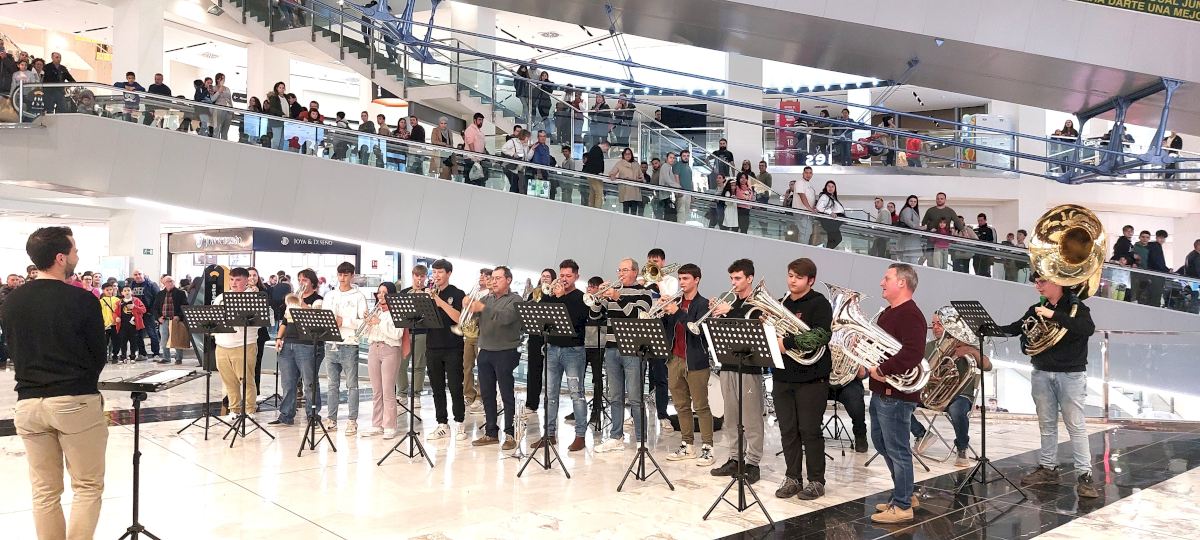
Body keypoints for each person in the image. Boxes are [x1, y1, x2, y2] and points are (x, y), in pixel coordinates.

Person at [3, 226, 108, 540]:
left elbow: (13, 349)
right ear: (61, 258)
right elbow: (98, 355)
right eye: (74, 250)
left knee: (45, 491)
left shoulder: (11, 302)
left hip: (27, 404)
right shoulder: (82, 299)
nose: (77, 255)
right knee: (87, 486)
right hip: (74, 399)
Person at [993, 273, 1100, 498]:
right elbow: (1017, 327)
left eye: (1042, 282)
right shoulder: (1036, 309)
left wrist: (1054, 315)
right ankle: (1048, 468)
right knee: (1047, 424)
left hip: (1070, 374)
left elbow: (1086, 328)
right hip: (1041, 372)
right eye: (1036, 282)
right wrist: (990, 329)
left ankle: (1085, 476)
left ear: (1057, 282)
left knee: (1076, 426)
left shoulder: (1076, 307)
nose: (1037, 286)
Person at [867, 263, 927, 524]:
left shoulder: (911, 314)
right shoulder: (888, 313)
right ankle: (906, 494)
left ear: (902, 282)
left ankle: (902, 506)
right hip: (881, 390)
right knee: (882, 443)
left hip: (896, 394)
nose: (882, 282)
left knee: (898, 449)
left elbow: (913, 353)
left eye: (887, 278)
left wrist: (883, 369)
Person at [773, 258, 834, 500]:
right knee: (788, 430)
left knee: (809, 430)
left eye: (798, 277)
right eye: (790, 275)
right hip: (783, 376)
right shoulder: (781, 303)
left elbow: (821, 336)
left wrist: (787, 343)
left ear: (811, 280)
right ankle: (793, 478)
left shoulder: (820, 303)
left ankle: (817, 481)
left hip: (812, 378)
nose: (792, 281)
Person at [707, 259, 764, 484]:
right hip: (728, 365)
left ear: (750, 278)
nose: (733, 282)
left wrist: (730, 311)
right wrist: (718, 317)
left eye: (738, 278)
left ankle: (753, 463)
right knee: (731, 418)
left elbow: (756, 323)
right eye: (731, 278)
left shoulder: (757, 303)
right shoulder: (733, 303)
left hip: (750, 367)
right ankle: (735, 458)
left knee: (751, 419)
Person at [910, 311, 992, 467]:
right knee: (900, 402)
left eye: (939, 324)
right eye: (933, 324)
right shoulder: (929, 347)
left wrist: (972, 351)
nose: (935, 327)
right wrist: (929, 378)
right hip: (933, 394)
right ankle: (921, 434)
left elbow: (988, 366)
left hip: (959, 395)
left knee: (957, 411)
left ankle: (962, 448)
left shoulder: (967, 345)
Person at [592, 258, 655, 453]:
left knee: (635, 398)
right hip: (611, 348)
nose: (620, 273)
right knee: (615, 396)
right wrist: (597, 298)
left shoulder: (644, 293)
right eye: (619, 270)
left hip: (633, 350)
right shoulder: (612, 292)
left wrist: (618, 297)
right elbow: (594, 316)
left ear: (635, 272)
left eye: (625, 270)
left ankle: (642, 440)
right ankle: (616, 437)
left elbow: (637, 315)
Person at [532, 260, 591, 452]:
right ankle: (549, 434)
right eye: (562, 275)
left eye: (568, 276)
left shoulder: (582, 298)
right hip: (552, 348)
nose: (564, 279)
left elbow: (576, 319)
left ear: (576, 277)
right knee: (550, 395)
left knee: (576, 394)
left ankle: (580, 436)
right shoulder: (552, 295)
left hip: (573, 351)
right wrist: (550, 296)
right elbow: (541, 314)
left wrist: (561, 297)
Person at [661, 263, 715, 466]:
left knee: (701, 406)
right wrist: (664, 313)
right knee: (681, 406)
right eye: (680, 278)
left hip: (696, 361)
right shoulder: (675, 302)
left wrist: (676, 312)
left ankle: (708, 448)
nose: (682, 282)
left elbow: (696, 330)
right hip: (674, 359)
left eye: (686, 279)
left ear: (697, 280)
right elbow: (668, 329)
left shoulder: (704, 304)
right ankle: (687, 445)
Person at [469, 266, 524, 451]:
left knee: (506, 394)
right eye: (492, 278)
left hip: (506, 351)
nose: (493, 281)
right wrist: (468, 305)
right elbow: (472, 318)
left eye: (498, 278)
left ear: (508, 280)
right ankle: (491, 432)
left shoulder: (515, 299)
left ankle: (510, 433)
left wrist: (483, 308)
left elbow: (506, 318)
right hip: (485, 350)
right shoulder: (486, 298)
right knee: (487, 394)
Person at [271, 270, 323, 427]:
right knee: (288, 382)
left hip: (307, 344)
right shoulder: (292, 299)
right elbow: (285, 321)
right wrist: (279, 338)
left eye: (305, 280)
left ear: (312, 282)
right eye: (299, 279)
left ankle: (312, 415)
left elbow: (316, 318)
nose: (301, 283)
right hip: (288, 343)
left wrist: (301, 304)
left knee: (310, 383)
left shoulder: (318, 300)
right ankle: (286, 415)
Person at [425, 259, 469, 441]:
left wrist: (440, 302)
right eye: (434, 272)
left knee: (455, 386)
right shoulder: (428, 293)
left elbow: (459, 318)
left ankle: (459, 422)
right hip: (432, 345)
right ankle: (442, 423)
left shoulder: (457, 293)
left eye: (440, 272)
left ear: (449, 273)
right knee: (437, 388)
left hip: (452, 346)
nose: (436, 275)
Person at [322, 262, 368, 434]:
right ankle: (331, 419)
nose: (342, 278)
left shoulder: (359, 296)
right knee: (332, 385)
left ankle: (352, 420)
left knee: (352, 385)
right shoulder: (330, 295)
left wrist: (344, 321)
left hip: (349, 343)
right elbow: (323, 317)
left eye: (346, 275)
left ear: (352, 276)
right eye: (340, 275)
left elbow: (364, 323)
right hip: (331, 342)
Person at [360, 283, 405, 439]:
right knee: (376, 391)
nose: (380, 295)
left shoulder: (397, 311)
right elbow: (366, 334)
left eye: (384, 292)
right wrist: (367, 323)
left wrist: (379, 322)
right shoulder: (376, 311)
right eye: (379, 292)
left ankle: (390, 425)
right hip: (374, 348)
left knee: (388, 390)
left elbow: (397, 334)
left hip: (390, 350)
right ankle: (376, 424)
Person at [213, 268, 259, 418]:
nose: (234, 283)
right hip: (222, 344)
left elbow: (262, 321)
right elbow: (214, 318)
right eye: (232, 279)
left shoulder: (254, 297)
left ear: (246, 281)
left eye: (238, 280)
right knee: (229, 381)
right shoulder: (221, 297)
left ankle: (250, 410)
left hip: (244, 344)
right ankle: (234, 410)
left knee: (247, 380)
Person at [522, 268, 557, 418]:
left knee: (552, 373)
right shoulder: (534, 293)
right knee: (533, 371)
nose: (545, 278)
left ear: (553, 279)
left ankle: (551, 405)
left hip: (552, 336)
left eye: (548, 276)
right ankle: (531, 403)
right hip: (535, 336)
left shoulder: (555, 293)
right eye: (543, 276)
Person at [398, 266, 430, 403]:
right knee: (401, 365)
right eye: (417, 276)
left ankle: (416, 395)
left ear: (425, 277)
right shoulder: (405, 292)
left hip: (422, 332)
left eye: (422, 276)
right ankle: (402, 393)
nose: (419, 279)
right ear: (413, 276)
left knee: (419, 365)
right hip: (406, 332)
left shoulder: (429, 293)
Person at [463, 268, 491, 414]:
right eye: (481, 275)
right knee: (467, 367)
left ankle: (480, 396)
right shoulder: (474, 292)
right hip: (470, 334)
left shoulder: (489, 295)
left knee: (482, 368)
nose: (482, 277)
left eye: (486, 276)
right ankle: (469, 394)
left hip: (482, 335)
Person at [150, 276, 188, 365]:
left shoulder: (181, 293)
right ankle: (166, 358)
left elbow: (185, 306)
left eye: (171, 281)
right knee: (164, 340)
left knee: (177, 339)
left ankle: (178, 358)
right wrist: (158, 317)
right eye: (168, 281)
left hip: (176, 320)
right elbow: (155, 308)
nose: (170, 283)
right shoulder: (160, 294)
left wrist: (179, 316)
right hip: (164, 320)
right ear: (164, 283)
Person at [126, 270, 160, 360]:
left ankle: (156, 353)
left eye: (139, 274)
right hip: (137, 314)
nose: (138, 276)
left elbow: (158, 298)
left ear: (143, 275)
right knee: (138, 334)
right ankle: (142, 353)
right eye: (135, 274)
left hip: (149, 314)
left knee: (152, 333)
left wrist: (152, 312)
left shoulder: (151, 285)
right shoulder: (132, 285)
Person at [785, 166, 819, 245]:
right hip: (801, 212)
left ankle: (804, 248)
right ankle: (802, 249)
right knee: (805, 232)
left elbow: (811, 198)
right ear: (803, 173)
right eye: (806, 173)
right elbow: (802, 195)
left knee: (808, 232)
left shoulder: (810, 185)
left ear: (812, 174)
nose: (808, 175)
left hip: (808, 214)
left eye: (810, 173)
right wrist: (809, 208)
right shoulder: (800, 182)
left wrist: (813, 207)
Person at [114, 285, 146, 362]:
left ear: (131, 292)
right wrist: (116, 318)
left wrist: (134, 307)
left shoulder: (136, 300)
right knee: (123, 341)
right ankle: (123, 356)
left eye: (128, 290)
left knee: (133, 341)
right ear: (122, 293)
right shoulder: (119, 302)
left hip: (134, 325)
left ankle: (133, 356)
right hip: (123, 325)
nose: (127, 292)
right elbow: (115, 312)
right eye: (125, 291)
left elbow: (143, 310)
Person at [813, 180, 846, 249]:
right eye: (829, 186)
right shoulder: (824, 196)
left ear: (835, 188)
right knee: (837, 239)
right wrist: (830, 212)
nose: (830, 188)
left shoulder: (832, 197)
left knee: (835, 239)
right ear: (826, 187)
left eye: (832, 187)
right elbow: (819, 207)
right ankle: (827, 251)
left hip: (833, 223)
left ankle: (827, 251)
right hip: (831, 222)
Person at [611, 147, 643, 215]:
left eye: (629, 154)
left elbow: (641, 175)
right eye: (626, 154)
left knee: (634, 212)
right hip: (625, 190)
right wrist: (612, 176)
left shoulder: (636, 164)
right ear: (623, 155)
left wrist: (640, 179)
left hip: (635, 190)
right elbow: (612, 173)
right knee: (626, 211)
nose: (628, 155)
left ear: (631, 155)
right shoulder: (620, 163)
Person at [582, 139, 610, 208]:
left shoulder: (594, 149)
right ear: (605, 145)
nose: (606, 151)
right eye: (607, 149)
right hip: (594, 175)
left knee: (593, 192)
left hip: (591, 174)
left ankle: (592, 207)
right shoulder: (597, 150)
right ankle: (597, 209)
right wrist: (599, 173)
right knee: (599, 193)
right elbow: (596, 164)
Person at [211, 73, 234, 140]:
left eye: (224, 78)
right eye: (222, 78)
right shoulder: (213, 88)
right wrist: (219, 91)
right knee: (217, 129)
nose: (224, 80)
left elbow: (230, 100)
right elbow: (212, 99)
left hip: (228, 110)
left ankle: (224, 143)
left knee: (225, 131)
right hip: (218, 110)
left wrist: (232, 111)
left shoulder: (227, 89)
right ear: (218, 79)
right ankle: (216, 143)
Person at [974, 213, 997, 277]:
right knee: (977, 273)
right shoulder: (975, 230)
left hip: (986, 256)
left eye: (981, 220)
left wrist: (992, 255)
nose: (980, 222)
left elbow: (994, 242)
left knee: (986, 273)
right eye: (978, 220)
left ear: (985, 220)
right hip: (977, 256)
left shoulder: (990, 229)